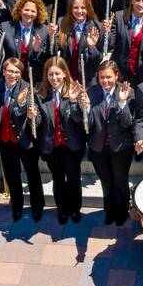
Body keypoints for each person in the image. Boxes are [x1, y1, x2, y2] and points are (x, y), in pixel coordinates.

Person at [0, 58, 44, 222]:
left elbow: (37, 120)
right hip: (5, 141)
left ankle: (37, 207)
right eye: (10, 71)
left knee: (32, 175)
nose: (13, 75)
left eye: (17, 72)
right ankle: (17, 206)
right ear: (3, 72)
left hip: (25, 141)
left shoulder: (27, 88)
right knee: (12, 176)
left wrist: (29, 112)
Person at [76, 60, 135, 226]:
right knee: (106, 182)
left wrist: (122, 103)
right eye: (102, 77)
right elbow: (90, 124)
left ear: (117, 76)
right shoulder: (91, 93)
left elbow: (127, 123)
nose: (105, 81)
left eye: (109, 77)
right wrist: (86, 109)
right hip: (98, 147)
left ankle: (122, 211)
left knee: (120, 181)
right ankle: (109, 211)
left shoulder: (127, 92)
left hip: (121, 148)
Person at [37, 57, 86, 224]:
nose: (54, 78)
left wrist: (73, 102)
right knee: (58, 180)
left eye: (57, 73)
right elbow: (37, 122)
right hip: (51, 146)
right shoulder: (41, 93)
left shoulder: (76, 90)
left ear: (65, 73)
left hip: (71, 146)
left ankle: (75, 209)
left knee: (73, 179)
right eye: (50, 74)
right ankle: (62, 209)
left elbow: (79, 119)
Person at [0, 0, 51, 83]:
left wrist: (37, 51)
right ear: (20, 10)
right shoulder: (6, 27)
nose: (29, 13)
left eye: (33, 11)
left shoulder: (44, 31)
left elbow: (48, 60)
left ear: (38, 13)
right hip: (10, 80)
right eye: (26, 10)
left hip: (34, 81)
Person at [48, 0, 102, 87]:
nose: (79, 11)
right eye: (75, 8)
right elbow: (54, 51)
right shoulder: (62, 22)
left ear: (88, 9)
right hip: (67, 79)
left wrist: (92, 48)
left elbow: (98, 60)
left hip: (88, 80)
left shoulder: (96, 27)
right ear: (71, 9)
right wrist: (51, 36)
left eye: (83, 8)